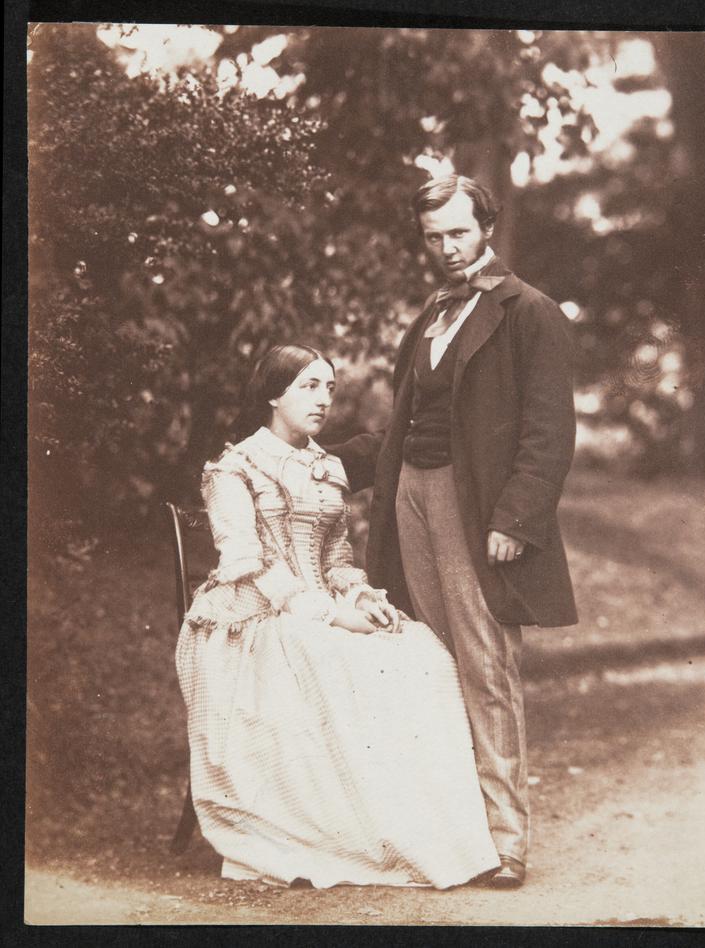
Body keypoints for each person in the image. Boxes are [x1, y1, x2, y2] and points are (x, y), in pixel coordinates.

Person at [329, 174, 578, 889]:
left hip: (476, 507)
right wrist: (316, 459)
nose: (446, 248)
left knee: (486, 664)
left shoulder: (529, 311)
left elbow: (549, 430)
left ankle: (506, 841)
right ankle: (456, 836)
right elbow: (404, 424)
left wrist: (517, 518)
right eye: (433, 236)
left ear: (486, 228)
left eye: (459, 233)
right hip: (412, 493)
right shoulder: (433, 314)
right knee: (432, 663)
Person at [175, 344, 500, 889]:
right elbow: (246, 564)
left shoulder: (326, 466)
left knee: (422, 652)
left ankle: (415, 831)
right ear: (273, 394)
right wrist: (329, 615)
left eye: (329, 387)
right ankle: (345, 831)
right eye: (308, 386)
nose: (323, 399)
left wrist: (361, 596)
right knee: (325, 655)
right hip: (252, 617)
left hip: (318, 609)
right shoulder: (234, 467)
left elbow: (335, 558)